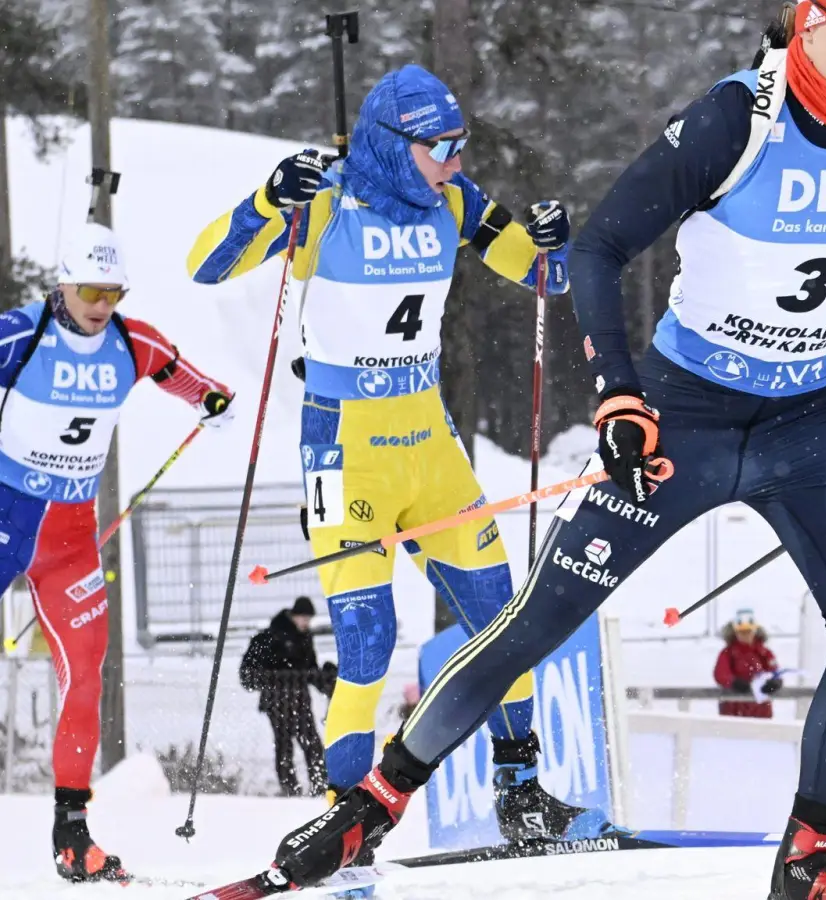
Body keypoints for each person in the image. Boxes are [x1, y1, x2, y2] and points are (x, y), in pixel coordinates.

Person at [264, 4, 826, 899]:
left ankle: (808, 861)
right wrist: (618, 392)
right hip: (684, 417)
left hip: (807, 423)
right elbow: (602, 248)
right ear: (809, 28)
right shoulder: (736, 119)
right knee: (538, 621)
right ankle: (370, 804)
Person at [186, 63, 585, 864]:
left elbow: (544, 275)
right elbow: (208, 264)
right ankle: (347, 818)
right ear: (395, 144)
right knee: (367, 641)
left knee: (503, 618)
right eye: (442, 145)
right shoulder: (326, 200)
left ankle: (522, 792)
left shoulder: (454, 201)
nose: (457, 160)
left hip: (428, 441)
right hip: (346, 448)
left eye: (461, 142)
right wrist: (269, 198)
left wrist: (553, 238)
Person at [0, 223, 234, 882]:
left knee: (85, 673)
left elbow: (184, 375)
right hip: (6, 518)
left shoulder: (132, 342)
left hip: (72, 539)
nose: (101, 303)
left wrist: (212, 400)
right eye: (90, 289)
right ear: (63, 284)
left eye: (113, 290)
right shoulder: (22, 333)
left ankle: (72, 836)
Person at [240, 595, 337, 797]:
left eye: (308, 619)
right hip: (276, 700)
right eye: (303, 618)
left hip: (299, 699)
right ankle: (291, 789)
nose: (305, 623)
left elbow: (309, 669)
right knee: (285, 745)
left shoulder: (304, 637)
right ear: (293, 616)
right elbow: (250, 674)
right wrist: (278, 678)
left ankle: (319, 786)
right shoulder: (271, 637)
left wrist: (327, 683)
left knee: (311, 744)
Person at [715, 609, 784, 719]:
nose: (745, 635)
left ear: (754, 631)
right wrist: (734, 683)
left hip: (761, 711)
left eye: (748, 631)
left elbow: (775, 671)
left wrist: (775, 682)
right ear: (735, 633)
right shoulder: (728, 653)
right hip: (734, 711)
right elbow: (721, 674)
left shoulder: (765, 653)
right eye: (741, 632)